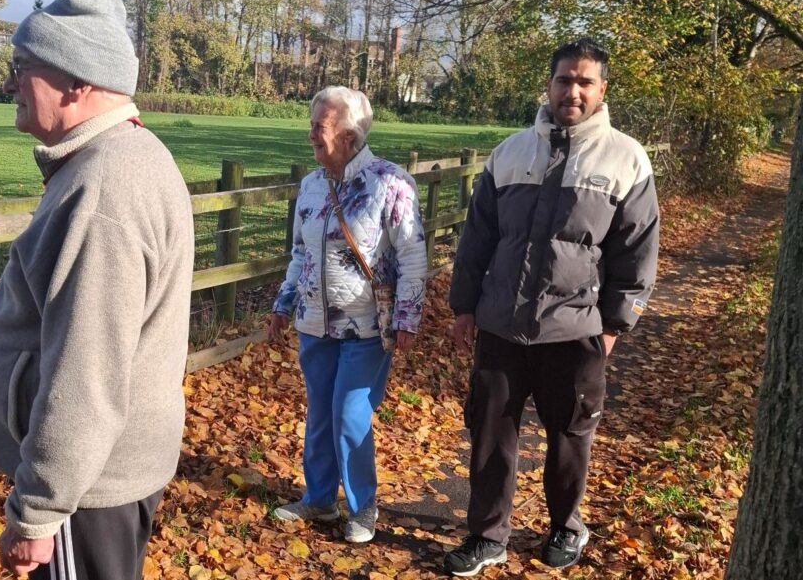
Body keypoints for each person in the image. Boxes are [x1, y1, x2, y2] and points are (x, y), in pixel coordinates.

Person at [0, 0, 194, 580]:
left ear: (77, 81)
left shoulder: (103, 189)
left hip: (84, 490)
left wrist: (38, 513)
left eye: (22, 66)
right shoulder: (120, 159)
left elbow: (85, 374)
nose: (9, 83)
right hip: (93, 478)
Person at [444, 38, 659, 576]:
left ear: (602, 89)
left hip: (575, 330)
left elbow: (636, 251)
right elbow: (477, 238)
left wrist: (614, 326)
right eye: (564, 80)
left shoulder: (625, 159)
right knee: (490, 434)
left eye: (585, 82)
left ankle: (566, 525)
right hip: (501, 325)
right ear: (549, 85)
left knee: (570, 435)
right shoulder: (510, 153)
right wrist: (464, 306)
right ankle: (487, 535)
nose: (573, 91)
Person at [267, 86, 427, 544]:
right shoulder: (311, 185)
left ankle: (362, 507)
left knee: (349, 414)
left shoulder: (390, 183)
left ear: (349, 134)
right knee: (320, 413)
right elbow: (300, 253)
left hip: (366, 327)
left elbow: (412, 256)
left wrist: (407, 317)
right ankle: (319, 499)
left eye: (319, 125)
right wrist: (283, 304)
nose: (310, 134)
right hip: (314, 324)